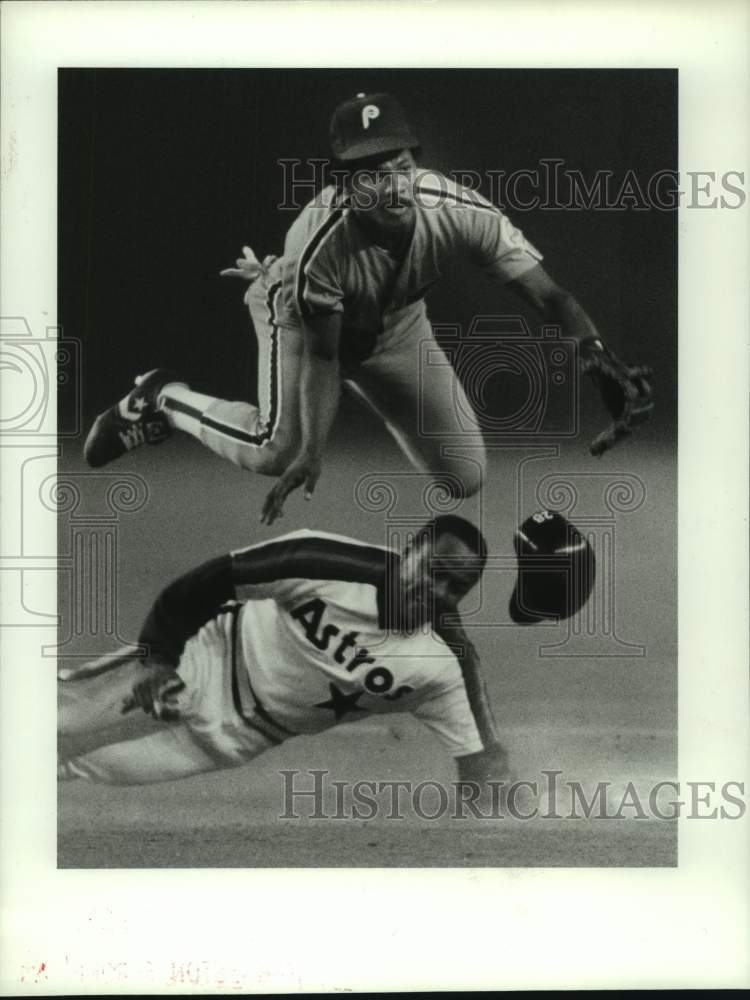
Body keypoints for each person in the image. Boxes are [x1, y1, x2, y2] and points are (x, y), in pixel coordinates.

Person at [83, 92, 653, 523]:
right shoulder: (321, 245)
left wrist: (594, 348)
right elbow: (326, 358)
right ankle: (161, 396)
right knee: (275, 453)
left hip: (396, 328)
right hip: (304, 328)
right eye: (376, 176)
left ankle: (220, 407)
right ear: (348, 186)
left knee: (465, 476)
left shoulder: (454, 209)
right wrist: (312, 449)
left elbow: (550, 295)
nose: (396, 187)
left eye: (403, 167)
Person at [58, 515, 511, 788]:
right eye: (433, 571)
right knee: (53, 717)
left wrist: (484, 851)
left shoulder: (447, 662)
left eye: (458, 586)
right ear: (409, 550)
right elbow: (207, 582)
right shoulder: (328, 562)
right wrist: (157, 661)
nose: (439, 590)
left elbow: (483, 759)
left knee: (74, 769)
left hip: (237, 741)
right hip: (206, 660)